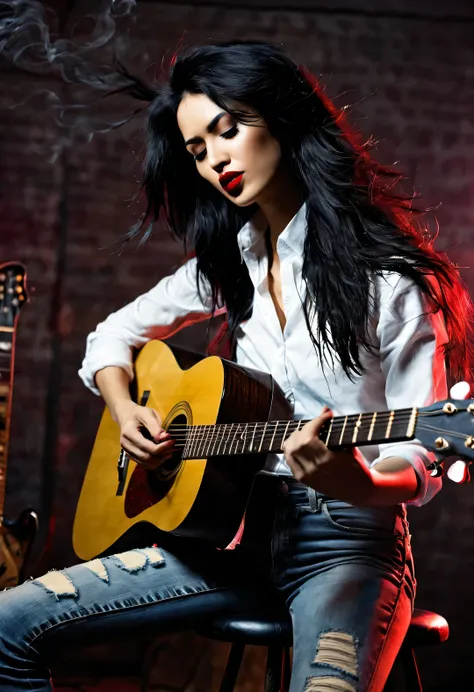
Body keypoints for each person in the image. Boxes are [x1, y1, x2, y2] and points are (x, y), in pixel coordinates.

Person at [0, 40, 471, 692]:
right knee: (6, 623)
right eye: (197, 150)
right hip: (232, 538)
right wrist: (125, 408)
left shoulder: (391, 281)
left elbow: (418, 464)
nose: (216, 158)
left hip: (348, 547)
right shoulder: (230, 264)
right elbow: (111, 337)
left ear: (282, 117)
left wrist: (353, 478)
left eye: (229, 129)